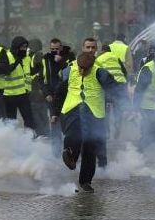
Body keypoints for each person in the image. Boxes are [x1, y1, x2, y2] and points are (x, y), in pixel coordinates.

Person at [50, 50, 118, 193]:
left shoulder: (100, 73)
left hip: (93, 114)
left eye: (85, 69)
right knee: (73, 136)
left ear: (91, 67)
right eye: (80, 68)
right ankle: (71, 156)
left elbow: (115, 89)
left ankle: (85, 181)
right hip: (72, 110)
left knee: (90, 147)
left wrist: (118, 103)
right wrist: (55, 113)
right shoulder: (69, 71)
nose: (81, 71)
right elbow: (60, 92)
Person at [4, 36, 36, 133]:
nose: (24, 49)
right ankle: (11, 141)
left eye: (25, 47)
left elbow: (28, 74)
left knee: (29, 120)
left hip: (23, 93)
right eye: (22, 47)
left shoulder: (26, 58)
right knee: (11, 122)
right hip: (9, 94)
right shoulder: (7, 56)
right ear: (16, 46)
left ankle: (29, 140)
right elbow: (5, 72)